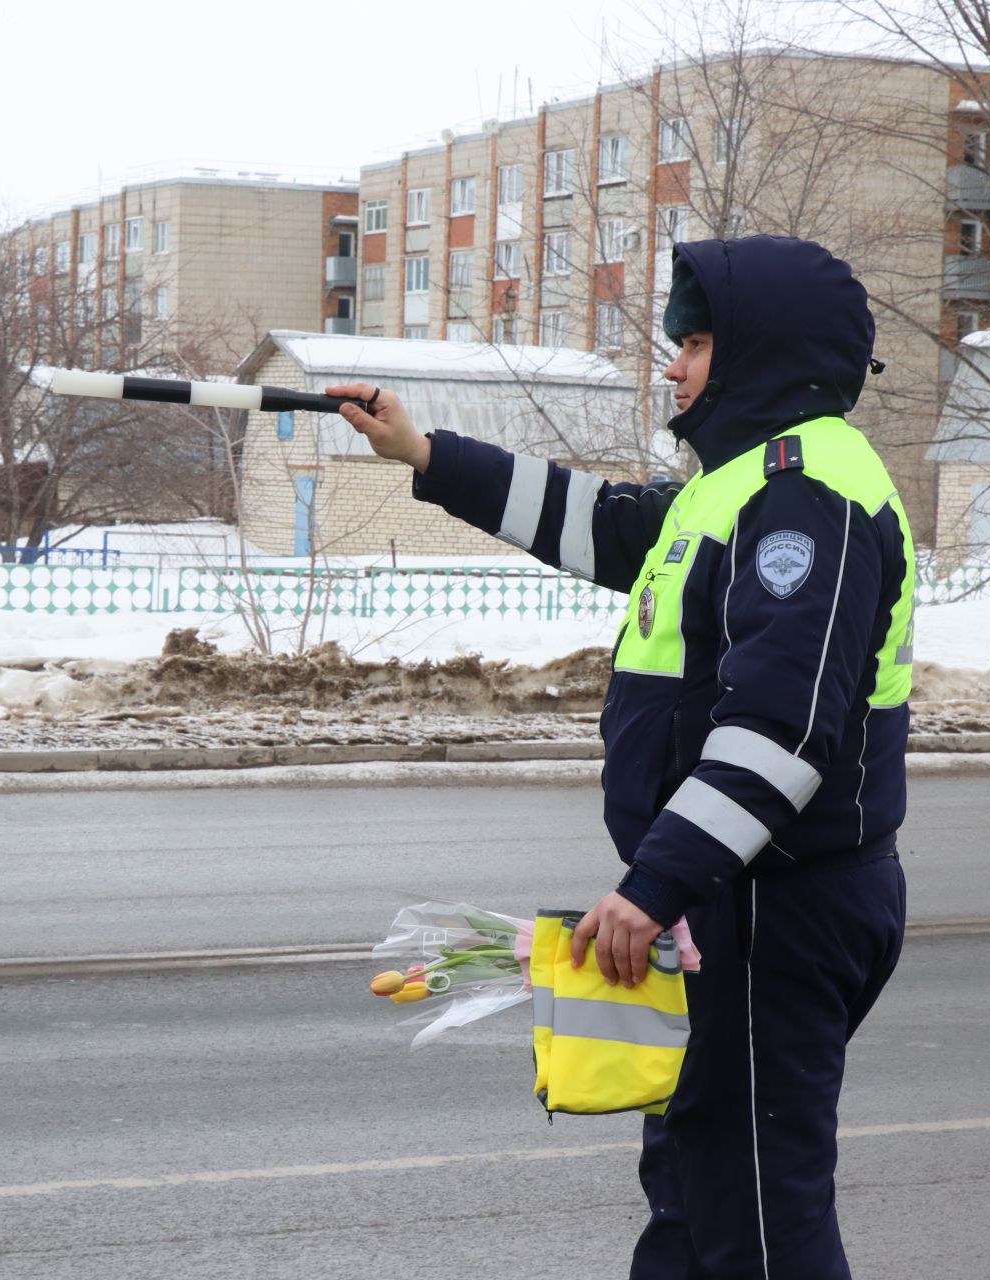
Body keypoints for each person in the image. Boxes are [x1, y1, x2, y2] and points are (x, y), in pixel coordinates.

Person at [331, 234, 913, 1279]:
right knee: (695, 1196)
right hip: (724, 899)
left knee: (755, 1221)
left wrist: (655, 886)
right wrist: (427, 456)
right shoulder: (732, 483)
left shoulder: (804, 491)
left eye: (691, 341)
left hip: (770, 903)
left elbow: (784, 727)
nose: (672, 364)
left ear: (759, 351)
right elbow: (601, 524)